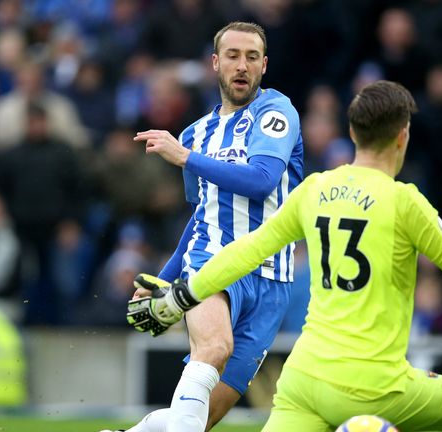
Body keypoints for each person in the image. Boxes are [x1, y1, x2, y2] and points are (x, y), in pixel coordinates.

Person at [128, 80, 442, 431]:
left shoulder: (316, 188)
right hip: (374, 385)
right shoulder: (404, 202)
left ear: (351, 132)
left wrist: (183, 294)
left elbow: (245, 251)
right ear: (402, 135)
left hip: (303, 383)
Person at [117, 22, 304, 432]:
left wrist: (186, 158)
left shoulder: (275, 112)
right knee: (214, 347)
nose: (242, 66)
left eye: (252, 57)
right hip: (214, 260)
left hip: (273, 279)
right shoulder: (195, 133)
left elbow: (261, 180)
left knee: (203, 415)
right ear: (215, 63)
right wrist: (163, 280)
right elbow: (204, 213)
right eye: (233, 56)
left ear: (264, 65)